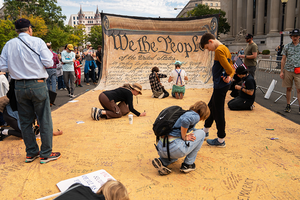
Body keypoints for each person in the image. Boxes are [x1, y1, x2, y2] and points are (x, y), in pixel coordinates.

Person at [0, 18, 61, 164]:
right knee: (44, 119)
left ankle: (31, 152)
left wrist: (18, 67)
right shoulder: (38, 42)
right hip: (37, 84)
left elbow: (3, 67)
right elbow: (49, 62)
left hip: (19, 87)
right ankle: (46, 153)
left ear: (16, 30)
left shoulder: (9, 44)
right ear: (30, 29)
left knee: (25, 121)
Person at [152, 101, 210, 175]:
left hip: (161, 148)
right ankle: (188, 164)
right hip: (174, 148)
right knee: (202, 133)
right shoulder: (196, 116)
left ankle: (163, 161)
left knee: (175, 156)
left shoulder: (184, 113)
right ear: (203, 114)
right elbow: (186, 121)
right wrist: (184, 137)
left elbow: (184, 125)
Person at [200, 32, 235, 147]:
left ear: (210, 41)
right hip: (221, 85)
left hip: (220, 85)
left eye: (207, 47)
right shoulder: (225, 48)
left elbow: (229, 68)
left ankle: (221, 139)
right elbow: (232, 66)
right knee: (211, 106)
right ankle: (205, 130)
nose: (208, 50)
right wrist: (230, 76)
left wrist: (229, 74)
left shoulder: (219, 50)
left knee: (218, 111)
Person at [280, 28, 300, 114]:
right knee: (288, 88)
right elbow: (283, 59)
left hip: (298, 70)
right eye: (293, 36)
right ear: (291, 37)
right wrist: (281, 71)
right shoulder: (287, 46)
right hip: (288, 69)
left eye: (296, 36)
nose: (294, 38)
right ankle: (288, 105)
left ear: (299, 36)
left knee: (299, 89)